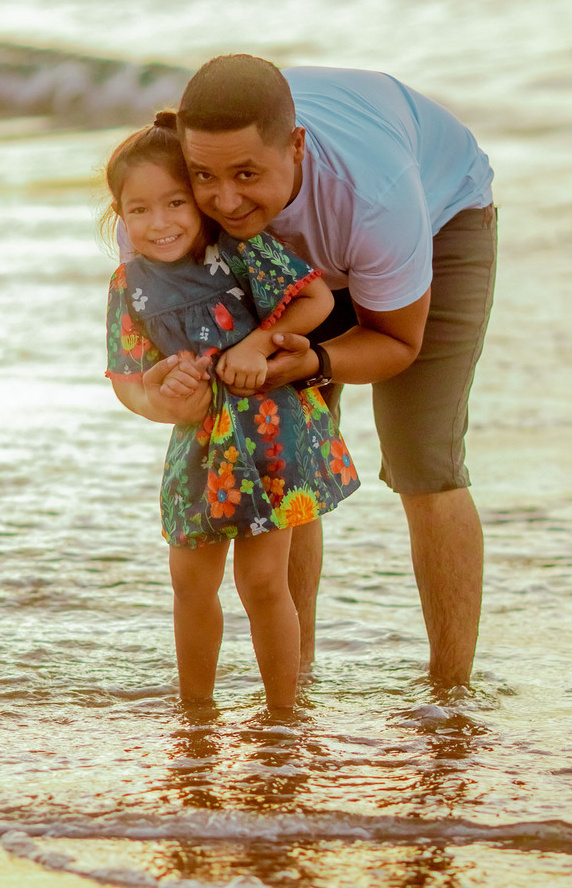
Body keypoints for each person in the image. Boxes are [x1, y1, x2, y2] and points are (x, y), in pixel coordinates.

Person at [118, 56, 496, 689]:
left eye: (247, 173)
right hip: (291, 264)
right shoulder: (172, 208)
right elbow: (149, 369)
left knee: (422, 457)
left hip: (434, 219)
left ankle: (450, 699)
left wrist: (317, 360)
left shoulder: (373, 197)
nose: (227, 201)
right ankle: (296, 685)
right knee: (282, 450)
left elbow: (396, 342)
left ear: (295, 147)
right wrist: (163, 395)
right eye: (205, 175)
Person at [103, 114, 360, 713]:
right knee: (190, 583)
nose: (159, 222)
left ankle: (283, 716)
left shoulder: (240, 252)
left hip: (269, 434)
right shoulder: (129, 285)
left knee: (263, 582)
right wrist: (159, 395)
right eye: (138, 210)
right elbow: (127, 381)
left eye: (173, 202)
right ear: (119, 213)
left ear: (197, 199)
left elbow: (317, 299)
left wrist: (258, 344)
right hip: (197, 445)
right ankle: (196, 715)